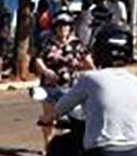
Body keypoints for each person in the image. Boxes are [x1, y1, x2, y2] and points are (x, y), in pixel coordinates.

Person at [34, 11, 96, 146]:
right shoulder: (47, 42)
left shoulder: (77, 44)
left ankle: (71, 145)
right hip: (49, 86)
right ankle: (48, 145)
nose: (63, 29)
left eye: (66, 26)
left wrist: (91, 73)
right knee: (49, 117)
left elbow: (88, 62)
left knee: (74, 117)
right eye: (60, 26)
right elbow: (38, 59)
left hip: (72, 87)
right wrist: (45, 70)